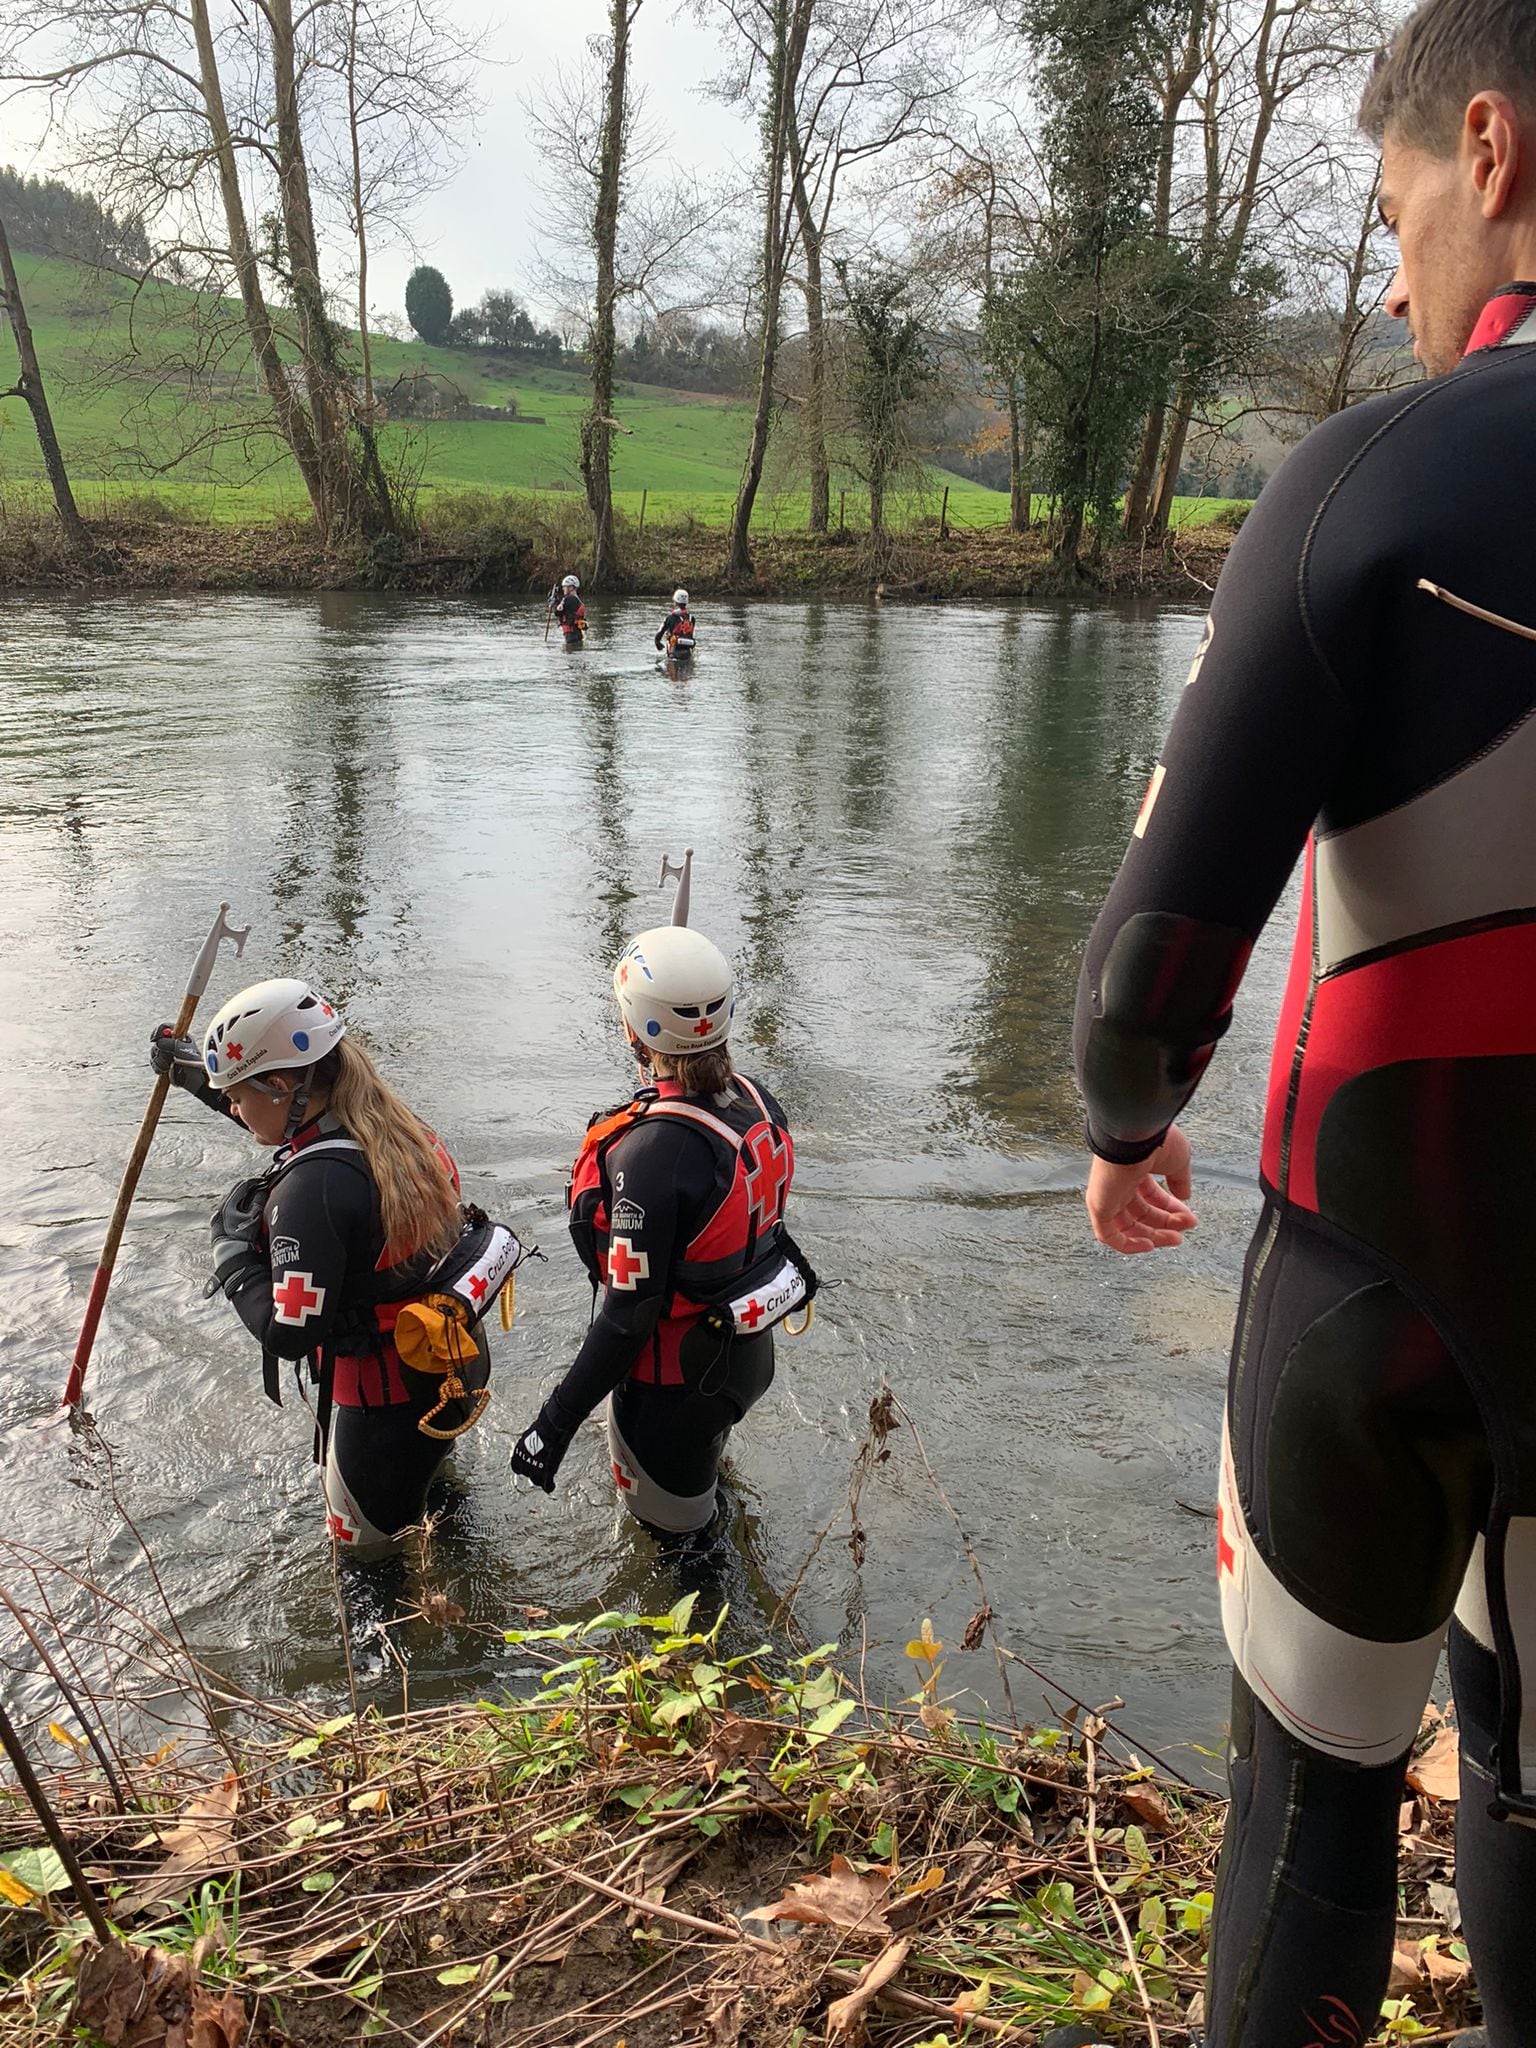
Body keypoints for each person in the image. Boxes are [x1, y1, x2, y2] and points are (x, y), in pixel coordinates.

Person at [1073, 4, 1536, 2040]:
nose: (1400, 257)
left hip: (1387, 1275)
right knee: (1530, 1751)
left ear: (1493, 150)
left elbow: (1164, 941)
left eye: (1397, 197)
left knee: (1307, 1792)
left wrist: (1123, 1117)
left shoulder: (1383, 476)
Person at [152, 979, 522, 1552]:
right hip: (449, 1373)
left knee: (366, 1576)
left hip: (381, 1412)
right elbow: (297, 1134)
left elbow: (291, 1334)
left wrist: (232, 1262)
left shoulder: (310, 1193)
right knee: (437, 1514)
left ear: (280, 1084)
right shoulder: (396, 1127)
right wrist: (196, 1079)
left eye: (235, 1094)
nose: (231, 1107)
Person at [509, 871, 815, 1538]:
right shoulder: (759, 1100)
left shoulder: (653, 1155)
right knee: (705, 1503)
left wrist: (552, 1426)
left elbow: (627, 1316)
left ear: (633, 1033)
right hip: (744, 1356)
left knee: (680, 1557)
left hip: (674, 1385)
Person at [655, 588, 696, 658]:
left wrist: (657, 642)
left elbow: (660, 633)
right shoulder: (691, 618)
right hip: (688, 653)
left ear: (675, 602)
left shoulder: (671, 617)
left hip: (674, 652)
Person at [550, 573, 587, 648]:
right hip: (576, 634)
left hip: (571, 635)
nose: (563, 589)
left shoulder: (569, 599)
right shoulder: (576, 599)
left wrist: (553, 603)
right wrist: (556, 602)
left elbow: (557, 612)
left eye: (565, 587)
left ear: (571, 587)